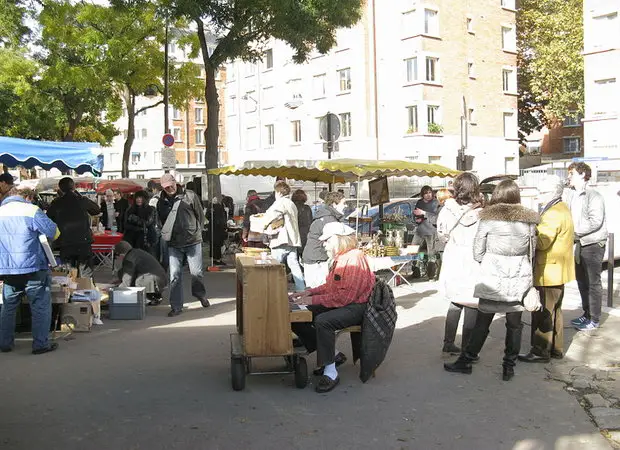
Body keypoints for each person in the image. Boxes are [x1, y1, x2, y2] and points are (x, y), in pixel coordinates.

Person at [444, 180, 539, 381]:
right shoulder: (529, 221)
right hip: (518, 280)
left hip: (492, 279)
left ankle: (466, 360)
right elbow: (532, 251)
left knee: (482, 322)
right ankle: (508, 367)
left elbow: (477, 252)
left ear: (496, 196)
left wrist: (490, 261)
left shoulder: (488, 219)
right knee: (514, 324)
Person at [291, 222, 375, 393]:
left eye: (327, 241)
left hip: (357, 306)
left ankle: (331, 372)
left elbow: (345, 297)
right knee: (295, 313)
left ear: (339, 240)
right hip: (347, 302)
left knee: (323, 321)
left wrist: (313, 300)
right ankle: (333, 355)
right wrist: (308, 293)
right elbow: (330, 286)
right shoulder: (342, 257)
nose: (324, 244)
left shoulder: (354, 258)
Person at [519, 176, 576, 363]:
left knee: (542, 312)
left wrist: (530, 230)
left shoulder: (552, 213)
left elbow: (542, 242)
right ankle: (556, 349)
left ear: (552, 192)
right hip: (558, 270)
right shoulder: (562, 208)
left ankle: (540, 350)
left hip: (548, 271)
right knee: (555, 311)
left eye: (542, 192)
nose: (539, 196)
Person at [0, 187, 60, 354]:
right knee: (40, 305)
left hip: (7, 269)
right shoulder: (31, 210)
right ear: (27, 197)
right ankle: (40, 344)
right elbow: (54, 232)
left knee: (8, 306)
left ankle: (4, 343)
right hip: (33, 266)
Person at [437, 173, 483, 355]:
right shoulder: (481, 212)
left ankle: (448, 343)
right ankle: (467, 348)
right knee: (472, 303)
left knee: (455, 301)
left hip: (454, 257)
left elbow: (442, 236)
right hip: (473, 260)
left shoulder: (446, 209)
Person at [157, 174, 209, 317]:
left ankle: (200, 294)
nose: (170, 188)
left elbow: (200, 215)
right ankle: (176, 306)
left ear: (176, 182)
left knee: (196, 273)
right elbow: (163, 222)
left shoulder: (190, 195)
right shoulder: (161, 202)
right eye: (166, 187)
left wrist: (197, 231)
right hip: (174, 243)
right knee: (174, 275)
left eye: (171, 184)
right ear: (163, 187)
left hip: (193, 240)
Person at [565, 162, 608, 331]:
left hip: (592, 244)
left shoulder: (594, 195)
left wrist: (574, 233)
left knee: (593, 282)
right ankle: (587, 313)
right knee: (582, 281)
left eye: (572, 173)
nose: (569, 177)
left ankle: (594, 319)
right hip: (579, 244)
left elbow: (595, 221)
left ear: (583, 174)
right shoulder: (570, 194)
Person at [46, 177, 101, 278]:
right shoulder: (82, 200)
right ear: (74, 187)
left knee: (69, 275)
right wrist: (80, 196)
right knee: (85, 275)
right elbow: (96, 210)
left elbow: (48, 219)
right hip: (83, 242)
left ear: (60, 189)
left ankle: (70, 293)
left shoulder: (56, 203)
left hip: (65, 243)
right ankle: (86, 292)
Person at [261, 181, 305, 292]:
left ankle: (274, 291)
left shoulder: (280, 203)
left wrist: (262, 224)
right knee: (295, 267)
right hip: (292, 240)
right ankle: (301, 290)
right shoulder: (291, 204)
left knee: (275, 267)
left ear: (278, 192)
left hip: (280, 239)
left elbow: (269, 217)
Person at [302, 191, 346, 288]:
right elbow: (337, 242)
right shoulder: (329, 220)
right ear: (334, 204)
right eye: (343, 203)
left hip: (314, 256)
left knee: (314, 290)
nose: (345, 206)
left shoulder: (325, 216)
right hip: (317, 260)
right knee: (318, 289)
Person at [113, 241, 167, 306]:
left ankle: (146, 299)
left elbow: (126, 281)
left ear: (121, 255)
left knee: (139, 280)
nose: (117, 259)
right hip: (161, 279)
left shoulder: (129, 260)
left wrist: (113, 292)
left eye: (116, 257)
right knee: (121, 272)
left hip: (155, 281)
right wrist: (117, 281)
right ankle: (154, 296)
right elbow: (125, 273)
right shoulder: (136, 252)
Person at [206, 196, 228, 266]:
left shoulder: (211, 207)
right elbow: (223, 218)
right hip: (217, 228)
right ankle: (217, 259)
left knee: (215, 244)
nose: (215, 200)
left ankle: (215, 259)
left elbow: (207, 216)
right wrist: (225, 227)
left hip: (214, 228)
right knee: (217, 244)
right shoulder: (216, 207)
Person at [292, 189, 313, 253]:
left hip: (295, 232)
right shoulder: (307, 208)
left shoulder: (292, 207)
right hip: (305, 233)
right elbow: (310, 221)